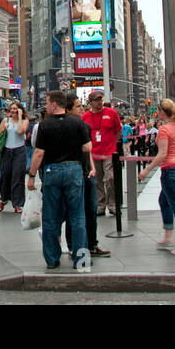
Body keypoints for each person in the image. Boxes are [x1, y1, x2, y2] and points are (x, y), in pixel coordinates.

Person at [28, 90, 90, 270]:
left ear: (54, 104)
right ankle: (81, 260)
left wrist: (31, 176)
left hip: (52, 170)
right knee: (78, 216)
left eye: (47, 103)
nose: (46, 106)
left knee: (50, 217)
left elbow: (39, 153)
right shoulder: (78, 123)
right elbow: (88, 147)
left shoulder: (45, 126)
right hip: (74, 169)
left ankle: (52, 259)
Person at [138, 98, 175, 254]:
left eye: (159, 111)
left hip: (170, 170)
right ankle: (168, 236)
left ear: (163, 112)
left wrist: (146, 170)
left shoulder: (164, 129)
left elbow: (162, 154)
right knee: (164, 200)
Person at [66, 93, 108, 258]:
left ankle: (91, 244)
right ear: (68, 109)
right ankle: (73, 246)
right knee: (74, 211)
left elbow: (88, 150)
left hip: (86, 172)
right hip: (74, 173)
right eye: (78, 106)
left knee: (91, 209)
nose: (82, 108)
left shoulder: (83, 125)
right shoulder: (69, 126)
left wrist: (91, 166)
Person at [82, 90, 122, 217]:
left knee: (110, 178)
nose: (99, 102)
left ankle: (112, 204)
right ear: (91, 102)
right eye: (96, 100)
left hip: (109, 152)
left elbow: (118, 130)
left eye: (100, 99)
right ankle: (101, 204)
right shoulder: (86, 117)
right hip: (93, 154)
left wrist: (112, 143)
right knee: (97, 181)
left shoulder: (111, 113)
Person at [0, 103, 30, 213]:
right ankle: (4, 199)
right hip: (7, 150)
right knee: (5, 175)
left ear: (20, 110)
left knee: (17, 177)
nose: (13, 110)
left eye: (15, 108)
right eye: (11, 108)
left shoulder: (25, 120)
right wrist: (4, 129)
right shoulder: (5, 120)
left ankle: (17, 203)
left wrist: (20, 117)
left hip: (19, 150)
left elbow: (20, 131)